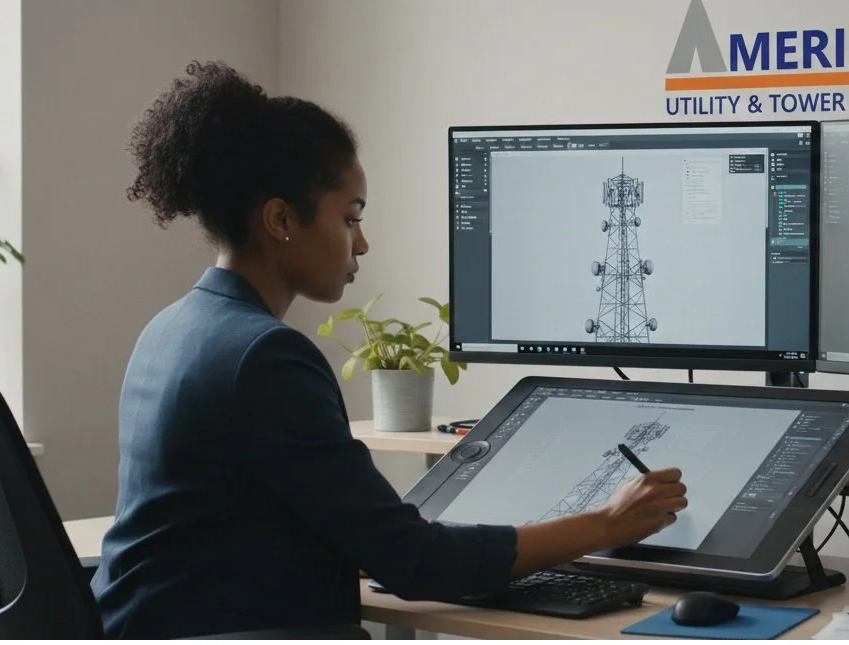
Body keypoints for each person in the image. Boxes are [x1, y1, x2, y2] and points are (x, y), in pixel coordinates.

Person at [90, 60, 689, 639]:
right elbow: (414, 562)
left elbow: (240, 517)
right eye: (350, 219)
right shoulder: (266, 356)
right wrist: (606, 524)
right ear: (280, 220)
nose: (363, 244)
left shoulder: (172, 328)